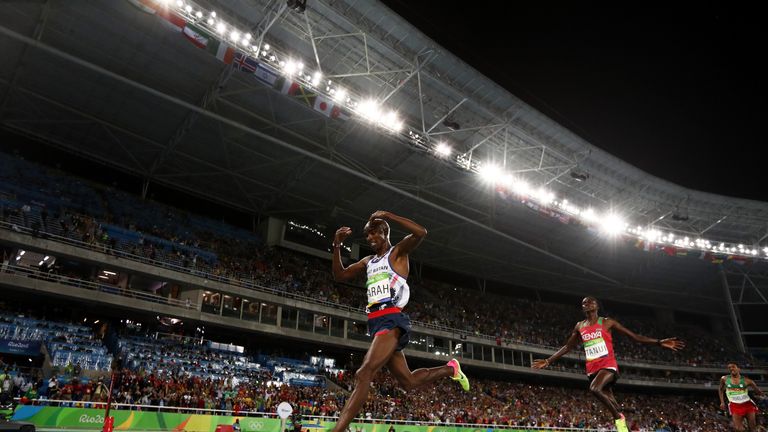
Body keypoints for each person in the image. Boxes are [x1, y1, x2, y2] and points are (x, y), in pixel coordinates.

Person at [330, 210, 469, 432]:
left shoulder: (397, 253)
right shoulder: (368, 261)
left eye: (373, 233)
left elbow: (421, 232)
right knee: (409, 382)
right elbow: (340, 275)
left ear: (384, 233)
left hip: (391, 319)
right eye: (367, 236)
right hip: (375, 321)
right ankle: (450, 369)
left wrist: (389, 216)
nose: (369, 239)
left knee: (364, 373)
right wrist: (337, 245)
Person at [531, 296, 684, 432]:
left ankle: (618, 419)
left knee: (594, 389)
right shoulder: (579, 326)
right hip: (592, 368)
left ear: (597, 306)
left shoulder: (607, 322)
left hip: (607, 365)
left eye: (591, 302)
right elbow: (568, 346)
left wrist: (658, 342)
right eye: (584, 303)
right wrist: (548, 360)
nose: (587, 303)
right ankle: (622, 421)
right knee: (613, 403)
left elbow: (634, 336)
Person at [719, 362, 764, 431]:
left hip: (748, 405)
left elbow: (758, 391)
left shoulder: (748, 381)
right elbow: (721, 390)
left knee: (752, 428)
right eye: (729, 367)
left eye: (733, 367)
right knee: (738, 429)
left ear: (739, 369)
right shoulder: (724, 379)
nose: (731, 368)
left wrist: (760, 393)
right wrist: (722, 402)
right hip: (734, 405)